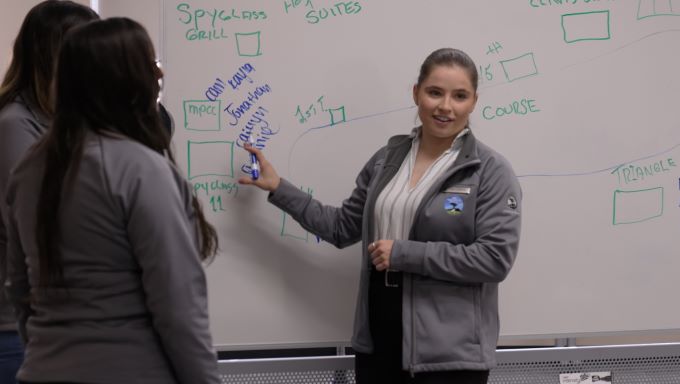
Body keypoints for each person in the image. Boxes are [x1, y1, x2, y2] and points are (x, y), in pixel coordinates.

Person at [239, 48, 522, 383]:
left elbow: (494, 259)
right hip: (379, 337)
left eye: (459, 96)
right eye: (435, 92)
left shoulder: (489, 171)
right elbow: (342, 227)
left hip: (448, 354)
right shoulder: (386, 160)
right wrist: (279, 188)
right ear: (416, 93)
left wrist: (403, 254)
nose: (446, 106)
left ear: (473, 101)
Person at [4, 17, 220, 384]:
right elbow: (178, 305)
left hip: (42, 368)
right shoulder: (140, 169)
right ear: (127, 77)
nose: (160, 73)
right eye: (150, 63)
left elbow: (19, 288)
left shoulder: (30, 167)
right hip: (130, 371)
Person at [0, 2, 98, 383]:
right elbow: (37, 225)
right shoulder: (16, 124)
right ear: (56, 57)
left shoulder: (60, 121)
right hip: (16, 330)